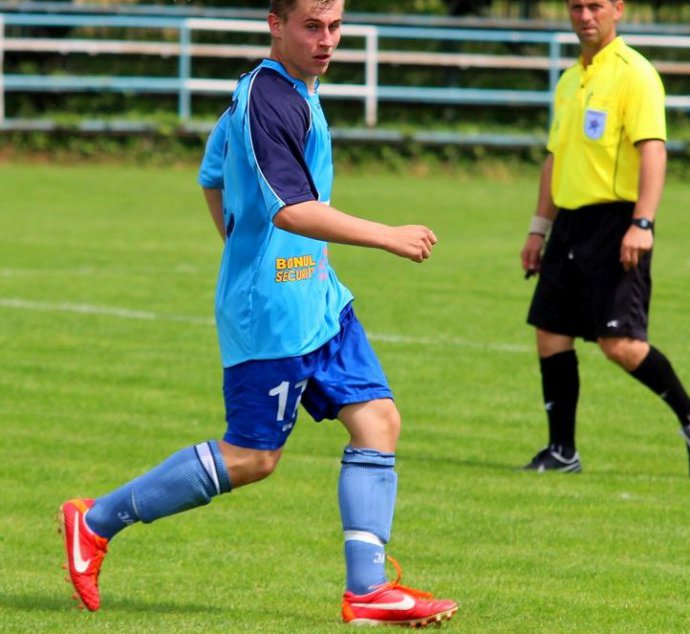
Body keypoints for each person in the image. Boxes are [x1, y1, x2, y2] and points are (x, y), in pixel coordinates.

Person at [59, 0, 458, 626]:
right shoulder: (270, 99)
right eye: (312, 27)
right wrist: (385, 235)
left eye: (335, 27)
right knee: (252, 458)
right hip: (272, 311)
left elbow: (213, 175)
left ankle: (368, 591)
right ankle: (95, 520)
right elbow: (289, 210)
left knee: (378, 420)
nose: (327, 41)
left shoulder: (287, 89)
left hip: (318, 296)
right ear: (276, 24)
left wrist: (241, 242)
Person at [520, 0, 690, 478]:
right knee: (551, 334)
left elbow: (652, 149)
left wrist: (643, 223)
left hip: (616, 222)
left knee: (621, 344)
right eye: (576, 6)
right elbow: (555, 159)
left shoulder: (636, 74)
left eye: (595, 6)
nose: (585, 15)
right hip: (568, 222)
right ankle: (562, 451)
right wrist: (538, 228)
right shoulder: (570, 80)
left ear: (618, 10)